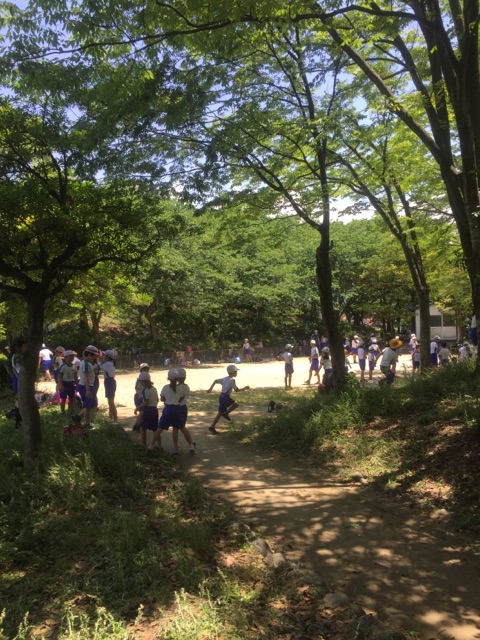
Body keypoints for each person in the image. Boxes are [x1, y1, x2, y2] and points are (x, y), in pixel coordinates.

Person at [206, 364, 249, 434]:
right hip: (225, 397)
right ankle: (213, 425)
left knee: (235, 404)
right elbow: (236, 390)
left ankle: (224, 415)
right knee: (221, 413)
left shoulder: (225, 378)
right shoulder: (232, 380)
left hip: (222, 396)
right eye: (236, 372)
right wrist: (245, 388)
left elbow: (215, 381)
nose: (236, 373)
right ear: (232, 372)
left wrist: (210, 389)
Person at [150, 369, 186, 450]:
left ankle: (151, 445)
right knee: (179, 427)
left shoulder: (165, 388)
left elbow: (162, 398)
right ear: (177, 379)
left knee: (160, 428)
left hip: (168, 409)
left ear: (168, 378)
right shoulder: (180, 389)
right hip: (177, 409)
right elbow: (181, 398)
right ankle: (179, 447)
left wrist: (167, 399)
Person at [173, 367, 196, 454]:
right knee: (182, 426)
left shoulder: (176, 388)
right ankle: (191, 443)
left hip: (177, 408)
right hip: (184, 408)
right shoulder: (187, 387)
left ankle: (176, 447)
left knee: (175, 428)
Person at [134, 371, 159, 448]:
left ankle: (143, 444)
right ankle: (159, 445)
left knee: (143, 428)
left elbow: (146, 402)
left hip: (148, 410)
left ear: (142, 382)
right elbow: (157, 399)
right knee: (155, 429)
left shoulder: (145, 391)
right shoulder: (154, 389)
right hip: (155, 409)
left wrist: (137, 408)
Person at [78, 345, 99, 427]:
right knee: (88, 406)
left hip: (88, 386)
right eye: (94, 356)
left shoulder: (86, 363)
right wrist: (88, 390)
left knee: (90, 405)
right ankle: (87, 423)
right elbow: (86, 377)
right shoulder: (86, 364)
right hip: (86, 386)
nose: (95, 358)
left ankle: (79, 417)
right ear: (89, 355)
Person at [58, 350, 78, 415]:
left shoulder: (74, 366)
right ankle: (63, 412)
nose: (72, 357)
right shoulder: (63, 366)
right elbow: (59, 376)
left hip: (71, 383)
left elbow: (75, 375)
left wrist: (77, 384)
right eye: (70, 356)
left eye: (73, 356)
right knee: (63, 398)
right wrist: (60, 384)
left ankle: (72, 411)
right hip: (64, 383)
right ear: (66, 357)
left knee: (72, 398)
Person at [100, 349, 118, 421]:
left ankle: (115, 418)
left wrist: (99, 358)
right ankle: (110, 417)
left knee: (111, 402)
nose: (103, 356)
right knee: (110, 401)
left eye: (104, 355)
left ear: (108, 357)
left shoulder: (107, 364)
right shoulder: (111, 363)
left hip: (109, 382)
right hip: (111, 382)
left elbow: (99, 366)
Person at [133, 363, 150, 432]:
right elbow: (136, 388)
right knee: (142, 412)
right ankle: (137, 426)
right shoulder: (139, 379)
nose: (146, 370)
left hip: (144, 396)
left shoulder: (147, 377)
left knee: (143, 412)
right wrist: (140, 395)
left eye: (147, 369)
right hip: (139, 397)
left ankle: (137, 425)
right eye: (144, 369)